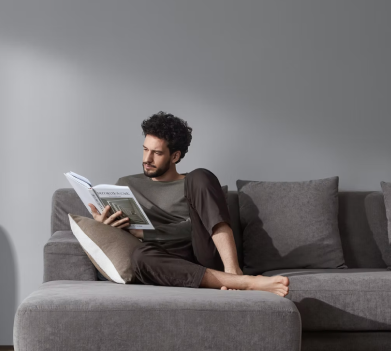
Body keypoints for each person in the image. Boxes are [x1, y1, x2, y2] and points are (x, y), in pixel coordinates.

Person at [88, 111, 289, 297]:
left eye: (157, 153)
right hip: (165, 263)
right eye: (145, 149)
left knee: (200, 174)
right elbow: (124, 235)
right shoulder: (126, 184)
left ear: (175, 156)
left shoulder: (194, 184)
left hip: (202, 251)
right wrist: (103, 224)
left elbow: (194, 227)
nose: (147, 159)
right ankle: (241, 282)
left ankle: (234, 273)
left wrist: (147, 233)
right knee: (140, 257)